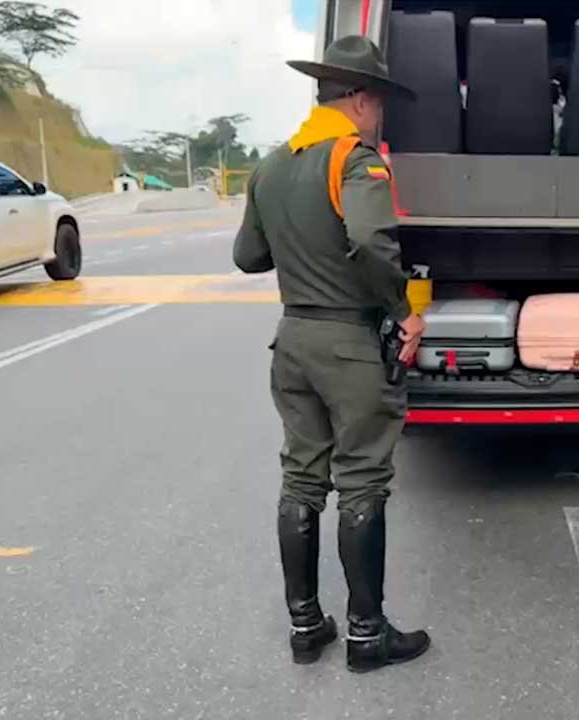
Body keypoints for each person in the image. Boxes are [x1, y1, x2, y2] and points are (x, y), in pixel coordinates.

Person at [233, 35, 431, 672]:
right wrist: (402, 309)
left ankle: (306, 625)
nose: (380, 116)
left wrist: (300, 243)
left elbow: (248, 256)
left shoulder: (271, 166)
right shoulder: (354, 160)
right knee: (362, 480)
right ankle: (367, 635)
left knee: (301, 478)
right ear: (361, 99)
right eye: (380, 103)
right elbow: (371, 240)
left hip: (293, 341)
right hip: (349, 345)